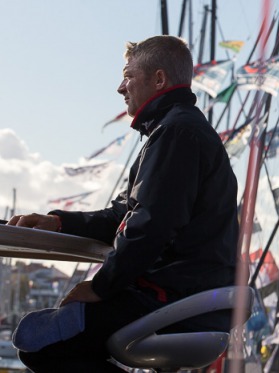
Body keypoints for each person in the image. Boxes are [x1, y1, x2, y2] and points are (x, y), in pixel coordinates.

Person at [9, 35, 239, 372]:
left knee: (40, 340)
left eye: (128, 75)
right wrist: (59, 223)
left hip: (176, 298)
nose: (121, 87)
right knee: (51, 335)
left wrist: (101, 287)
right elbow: (124, 214)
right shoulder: (175, 130)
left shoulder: (176, 134)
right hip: (187, 294)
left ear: (159, 79)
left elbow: (152, 224)